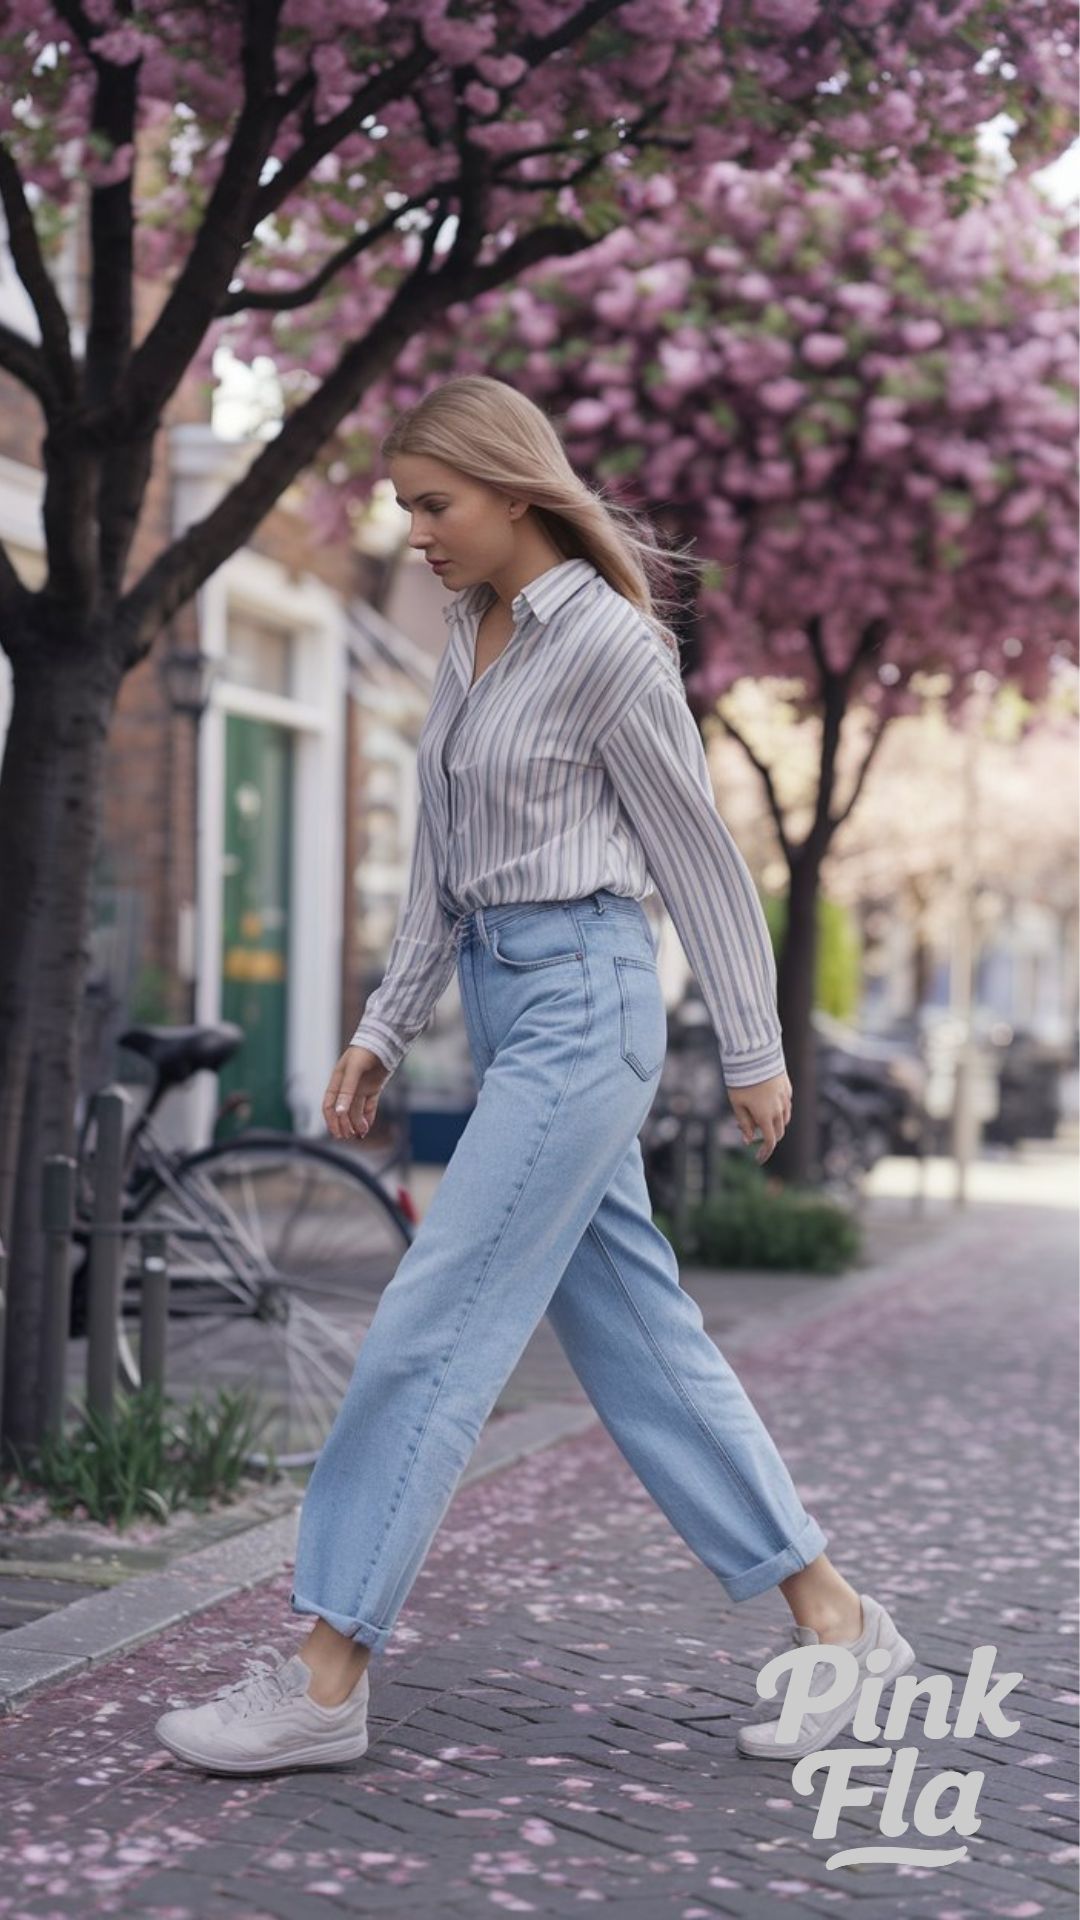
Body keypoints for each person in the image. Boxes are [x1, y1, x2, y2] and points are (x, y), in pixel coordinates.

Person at [155, 376, 915, 1776]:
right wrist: (383, 1026)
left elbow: (697, 855)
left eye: (435, 505)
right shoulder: (467, 634)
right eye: (405, 509)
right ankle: (839, 1621)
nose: (417, 533)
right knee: (641, 1340)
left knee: (432, 1319)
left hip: (586, 1000)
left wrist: (756, 1048)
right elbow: (440, 867)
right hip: (510, 1004)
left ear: (514, 490)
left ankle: (326, 1672)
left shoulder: (611, 645)